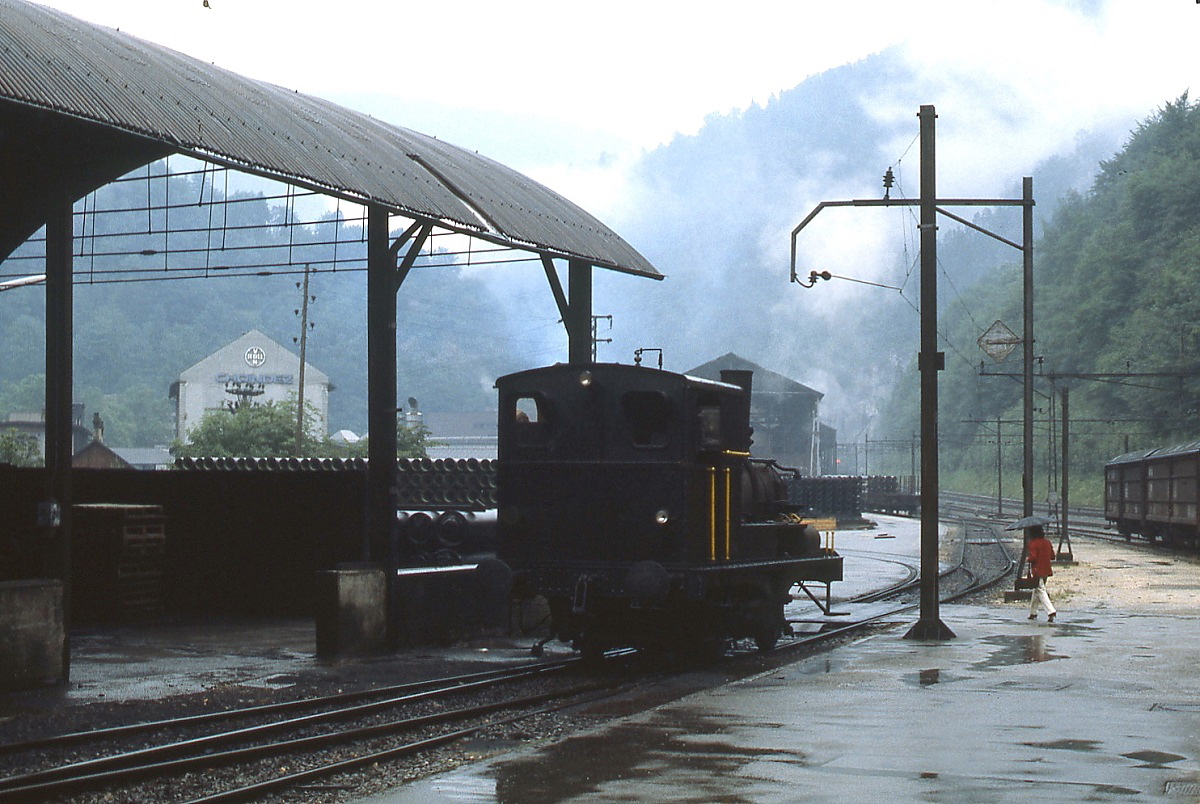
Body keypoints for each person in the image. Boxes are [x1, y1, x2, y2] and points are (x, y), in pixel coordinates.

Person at [1026, 525, 1057, 622]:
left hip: (1037, 570)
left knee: (1040, 589)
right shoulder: (1047, 542)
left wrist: (1028, 559)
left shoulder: (1032, 543)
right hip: (1046, 570)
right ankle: (1033, 612)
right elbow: (1052, 556)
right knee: (1037, 590)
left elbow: (1034, 557)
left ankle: (1051, 611)